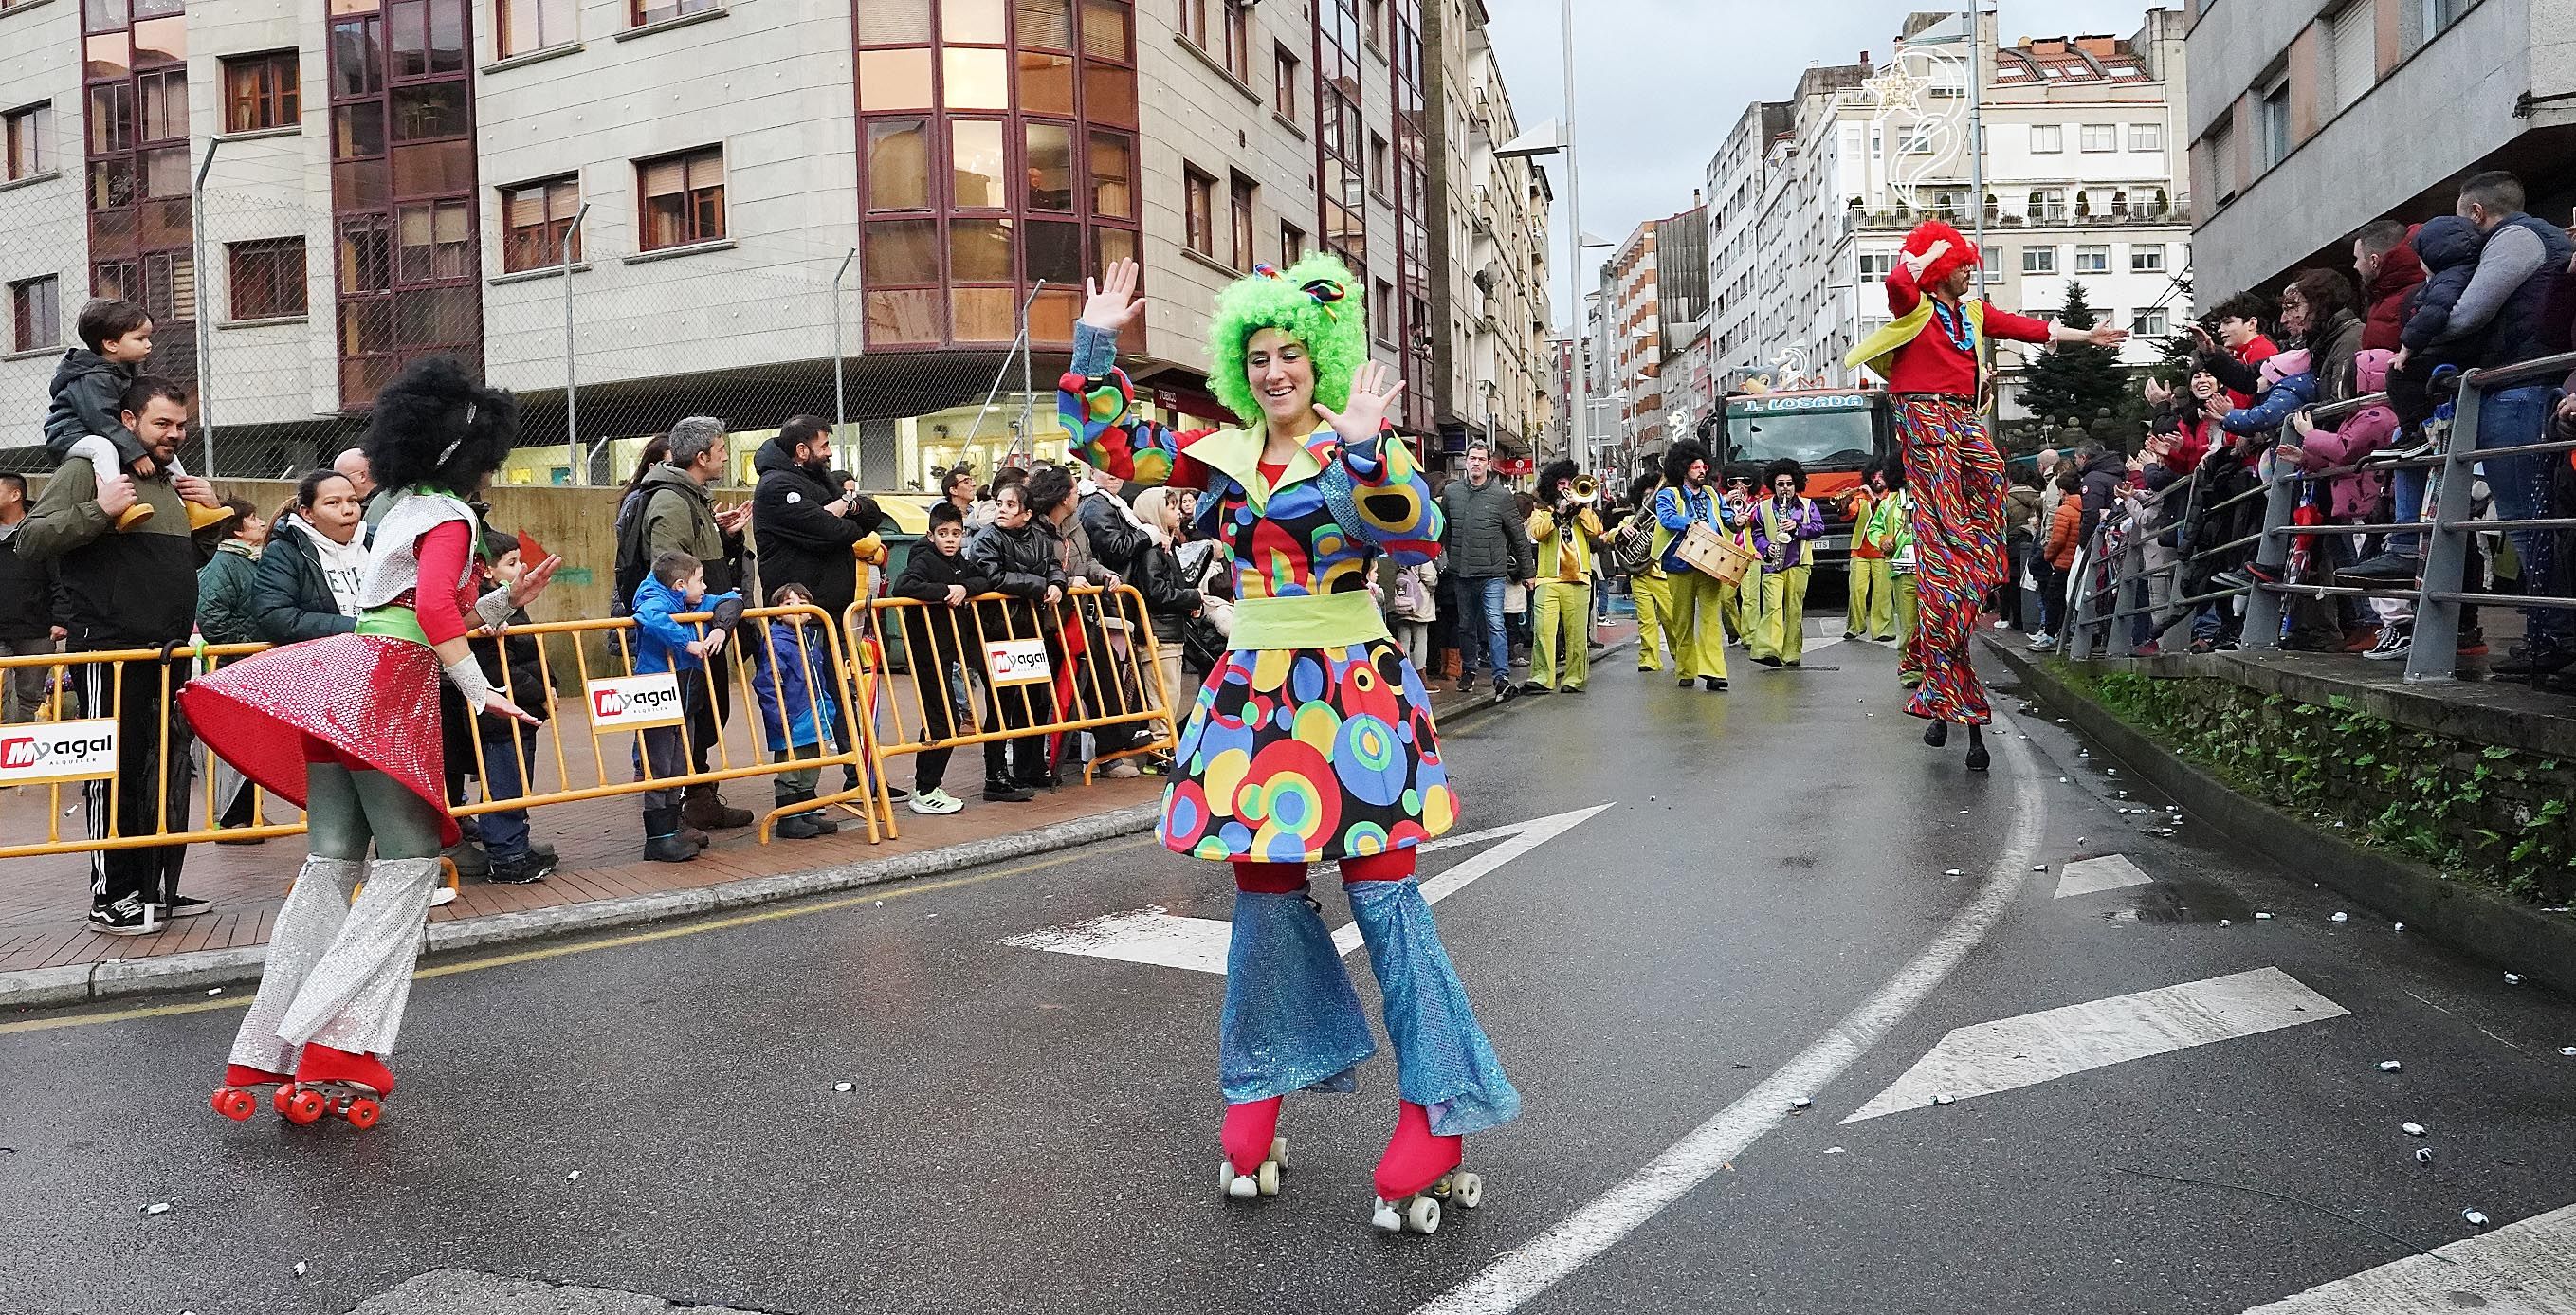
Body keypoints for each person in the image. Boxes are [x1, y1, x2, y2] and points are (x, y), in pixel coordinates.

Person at [1062, 256, 1513, 1233]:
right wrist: (1096, 341)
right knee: (1263, 902)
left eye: (1290, 355)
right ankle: (1262, 1078)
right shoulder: (1220, 453)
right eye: (1258, 356)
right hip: (1255, 697)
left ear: (1320, 359)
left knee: (1384, 900)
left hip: (1353, 696)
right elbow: (1114, 443)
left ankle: (1436, 1108)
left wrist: (1358, 449)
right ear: (1240, 365)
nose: (1274, 371)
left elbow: (1410, 531)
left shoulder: (1361, 443)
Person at [187, 356, 559, 1124]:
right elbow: (427, 610)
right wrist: (479, 687)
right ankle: (335, 1040)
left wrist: (500, 603)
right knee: (412, 867)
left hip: (344, 679)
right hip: (390, 688)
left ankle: (265, 1046)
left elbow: (407, 605)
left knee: (328, 864)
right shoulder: (451, 515)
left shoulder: (394, 505)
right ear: (472, 454)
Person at [1846, 220, 2128, 769]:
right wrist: (1925, 251)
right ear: (1942, 271)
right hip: (1922, 409)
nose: (1972, 269)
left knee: (1991, 473)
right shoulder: (1915, 307)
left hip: (1960, 414)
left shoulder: (1972, 314)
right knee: (1944, 507)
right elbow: (1899, 278)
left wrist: (2087, 339)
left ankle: (1969, 563)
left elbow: (2030, 329)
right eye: (1963, 263)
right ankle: (1952, 555)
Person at [20, 376, 230, 935]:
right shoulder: (88, 469)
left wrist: (213, 519)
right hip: (108, 648)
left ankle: (157, 889)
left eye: (182, 425)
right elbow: (30, 539)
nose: (175, 435)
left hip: (169, 648)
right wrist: (97, 509)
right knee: (113, 771)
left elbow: (184, 563)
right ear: (129, 420)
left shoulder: (170, 480)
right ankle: (111, 897)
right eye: (162, 423)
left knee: (162, 769)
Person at [749, 414, 890, 803]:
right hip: (799, 624)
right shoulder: (777, 488)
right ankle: (793, 802)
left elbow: (871, 515)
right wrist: (845, 515)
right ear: (802, 450)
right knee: (802, 708)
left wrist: (843, 507)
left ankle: (861, 777)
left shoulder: (818, 480)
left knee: (847, 696)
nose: (829, 453)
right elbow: (831, 532)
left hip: (835, 617)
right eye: (824, 446)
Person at [630, 417, 756, 831]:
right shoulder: (671, 502)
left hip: (703, 632)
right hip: (685, 643)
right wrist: (690, 637)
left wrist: (727, 537)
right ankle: (675, 813)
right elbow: (671, 576)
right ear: (701, 457)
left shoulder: (692, 498)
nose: (724, 456)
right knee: (683, 726)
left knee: (705, 717)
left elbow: (698, 568)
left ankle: (695, 800)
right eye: (720, 450)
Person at [43, 299, 231, 536]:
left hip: (102, 431)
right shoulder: (92, 377)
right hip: (71, 434)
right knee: (103, 448)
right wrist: (135, 454)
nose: (149, 345)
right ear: (111, 344)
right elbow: (101, 421)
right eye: (140, 339)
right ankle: (122, 508)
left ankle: (194, 508)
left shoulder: (122, 369)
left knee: (166, 454)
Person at [630, 549, 740, 862]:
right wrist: (685, 641)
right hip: (658, 689)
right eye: (700, 581)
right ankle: (658, 836)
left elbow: (730, 600)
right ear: (679, 585)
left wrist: (720, 626)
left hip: (686, 691)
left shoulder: (687, 599)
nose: (704, 587)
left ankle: (672, 829)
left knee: (681, 763)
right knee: (660, 765)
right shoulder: (655, 597)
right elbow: (650, 616)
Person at [892, 501, 997, 813]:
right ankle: (926, 788)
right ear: (930, 535)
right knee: (944, 720)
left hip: (948, 652)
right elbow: (905, 584)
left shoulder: (961, 563)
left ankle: (927, 785)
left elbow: (984, 580)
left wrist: (963, 588)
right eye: (943, 533)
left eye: (956, 533)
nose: (950, 539)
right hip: (927, 652)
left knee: (942, 719)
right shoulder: (924, 560)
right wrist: (945, 591)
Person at [962, 480, 1058, 801]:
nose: (1001, 510)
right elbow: (992, 577)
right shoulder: (987, 538)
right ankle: (995, 774)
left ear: (1027, 513)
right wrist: (1038, 584)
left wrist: (1057, 583)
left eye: (1009, 505)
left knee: (1034, 699)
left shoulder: (1041, 538)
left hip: (1029, 629)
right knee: (1000, 705)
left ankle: (1028, 768)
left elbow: (1056, 566)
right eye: (999, 504)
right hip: (996, 629)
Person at [1437, 439, 1532, 700]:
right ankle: (1468, 670)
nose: (1476, 463)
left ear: (1488, 464)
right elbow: (1443, 530)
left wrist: (1528, 573)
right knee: (1466, 625)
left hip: (1491, 572)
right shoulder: (1452, 493)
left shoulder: (1502, 497)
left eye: (1481, 459)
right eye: (1472, 459)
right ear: (1466, 462)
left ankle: (1501, 677)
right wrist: (1441, 559)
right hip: (1461, 571)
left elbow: (1518, 537)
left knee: (1494, 623)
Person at [747, 582, 843, 840]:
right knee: (790, 767)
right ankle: (789, 817)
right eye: (788, 603)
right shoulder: (776, 641)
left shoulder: (811, 639)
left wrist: (827, 707)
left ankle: (807, 809)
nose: (796, 608)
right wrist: (779, 717)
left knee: (811, 764)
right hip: (791, 716)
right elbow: (769, 682)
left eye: (802, 602)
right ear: (777, 612)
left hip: (814, 711)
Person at [1125, 484, 1205, 753]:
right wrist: (1191, 598)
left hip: (1169, 629)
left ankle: (1165, 746)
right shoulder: (1152, 551)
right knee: (1163, 694)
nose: (1177, 512)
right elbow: (1157, 591)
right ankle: (1160, 748)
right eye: (1170, 507)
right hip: (1159, 632)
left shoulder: (1166, 548)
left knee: (1170, 694)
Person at [1650, 440, 1731, 692]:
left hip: (1711, 561)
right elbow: (1666, 518)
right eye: (1696, 467)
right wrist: (1693, 523)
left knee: (1710, 618)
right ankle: (1685, 669)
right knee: (1682, 620)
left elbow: (1725, 515)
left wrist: (1738, 519)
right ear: (1684, 469)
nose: (1701, 471)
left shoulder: (1712, 494)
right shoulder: (1668, 494)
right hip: (1679, 562)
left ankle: (1715, 672)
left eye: (1703, 466)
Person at [252, 470, 370, 645]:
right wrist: (358, 627)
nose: (348, 510)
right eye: (333, 503)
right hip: (321, 662)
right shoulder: (285, 552)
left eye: (352, 501)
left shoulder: (377, 541)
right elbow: (275, 616)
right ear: (307, 513)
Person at [1523, 460, 1602, 695]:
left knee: (1577, 635)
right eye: (1561, 484)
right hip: (1548, 580)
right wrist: (1559, 513)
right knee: (1543, 632)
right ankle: (1542, 677)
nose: (1566, 488)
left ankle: (1574, 679)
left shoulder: (1584, 511)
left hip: (1579, 579)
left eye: (1570, 483)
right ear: (1552, 486)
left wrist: (1580, 508)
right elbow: (1538, 532)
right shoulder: (1541, 512)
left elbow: (1596, 530)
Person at [1746, 460, 1827, 668]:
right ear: (1773, 484)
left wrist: (1798, 527)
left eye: (1789, 484)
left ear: (1795, 484)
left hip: (1799, 563)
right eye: (1780, 484)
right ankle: (1768, 650)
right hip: (1772, 564)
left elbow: (1819, 528)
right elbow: (1756, 533)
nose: (1785, 489)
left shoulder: (1808, 505)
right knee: (1772, 606)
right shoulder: (1763, 508)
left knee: (1794, 609)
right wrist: (1766, 547)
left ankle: (1791, 653)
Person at [0, 473, 63, 724]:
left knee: (31, 696)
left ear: (16, 495)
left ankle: (24, 752)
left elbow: (60, 578)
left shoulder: (41, 530)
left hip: (36, 629)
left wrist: (61, 619)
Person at [1866, 462, 1922, 685]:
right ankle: (1911, 671)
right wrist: (1883, 540)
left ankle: (1937, 672)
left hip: (1932, 570)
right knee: (1908, 626)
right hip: (1902, 571)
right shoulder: (1890, 501)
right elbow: (1875, 527)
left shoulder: (1933, 496)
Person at [2353, 218, 2426, 354]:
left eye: (2357, 258)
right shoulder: (2388, 294)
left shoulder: (2397, 303)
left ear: (2374, 261)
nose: (2355, 266)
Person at [1842, 465, 1895, 642]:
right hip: (1860, 551)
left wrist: (1872, 497)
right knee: (1856, 591)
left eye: (1880, 476)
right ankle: (1854, 627)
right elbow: (1847, 515)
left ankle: (1883, 630)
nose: (1877, 480)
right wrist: (1845, 501)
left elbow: (1883, 514)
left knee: (1882, 593)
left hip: (1882, 551)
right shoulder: (1860, 497)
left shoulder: (1891, 498)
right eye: (1873, 476)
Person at [2032, 471, 2083, 650]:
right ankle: (2068, 632)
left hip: (2062, 561)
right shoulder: (2082, 508)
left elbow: (2058, 539)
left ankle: (2050, 634)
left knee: (2053, 598)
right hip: (2075, 559)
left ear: (2062, 491)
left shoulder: (2064, 510)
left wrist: (2048, 555)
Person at [1997, 470, 2041, 633]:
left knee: (2013, 582)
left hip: (2013, 544)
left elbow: (2000, 524)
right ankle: (2037, 620)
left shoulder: (2006, 500)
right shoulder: (2039, 495)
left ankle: (2017, 620)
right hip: (2034, 541)